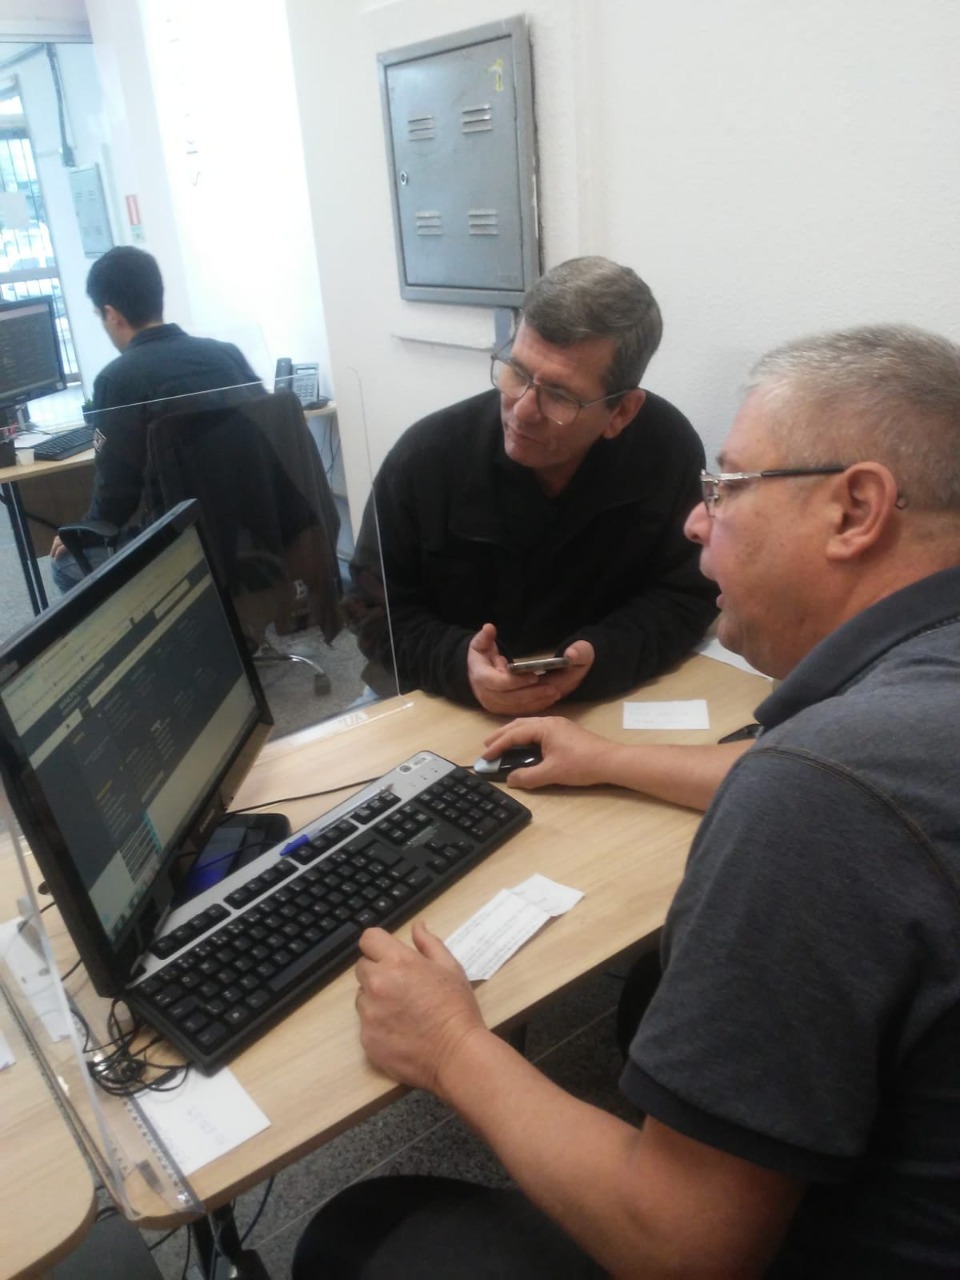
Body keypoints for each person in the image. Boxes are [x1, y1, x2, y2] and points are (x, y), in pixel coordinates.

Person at [294, 323, 960, 1278]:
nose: (695, 522)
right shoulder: (896, 728)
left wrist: (446, 1045)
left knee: (355, 1231)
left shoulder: (822, 792)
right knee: (653, 989)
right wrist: (606, 758)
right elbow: (843, 795)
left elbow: (683, 1248)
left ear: (856, 510)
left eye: (726, 488)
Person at [344, 256, 717, 714]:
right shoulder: (426, 458)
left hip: (597, 697)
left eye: (559, 395)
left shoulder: (666, 450)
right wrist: (459, 665)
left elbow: (687, 594)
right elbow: (372, 610)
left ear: (621, 412)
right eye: (517, 372)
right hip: (434, 694)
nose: (521, 410)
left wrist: (604, 654)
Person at [50, 245, 264, 589]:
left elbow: (115, 499)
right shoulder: (227, 355)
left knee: (66, 565)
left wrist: (80, 532)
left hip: (182, 546)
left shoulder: (117, 380)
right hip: (256, 532)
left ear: (112, 315)